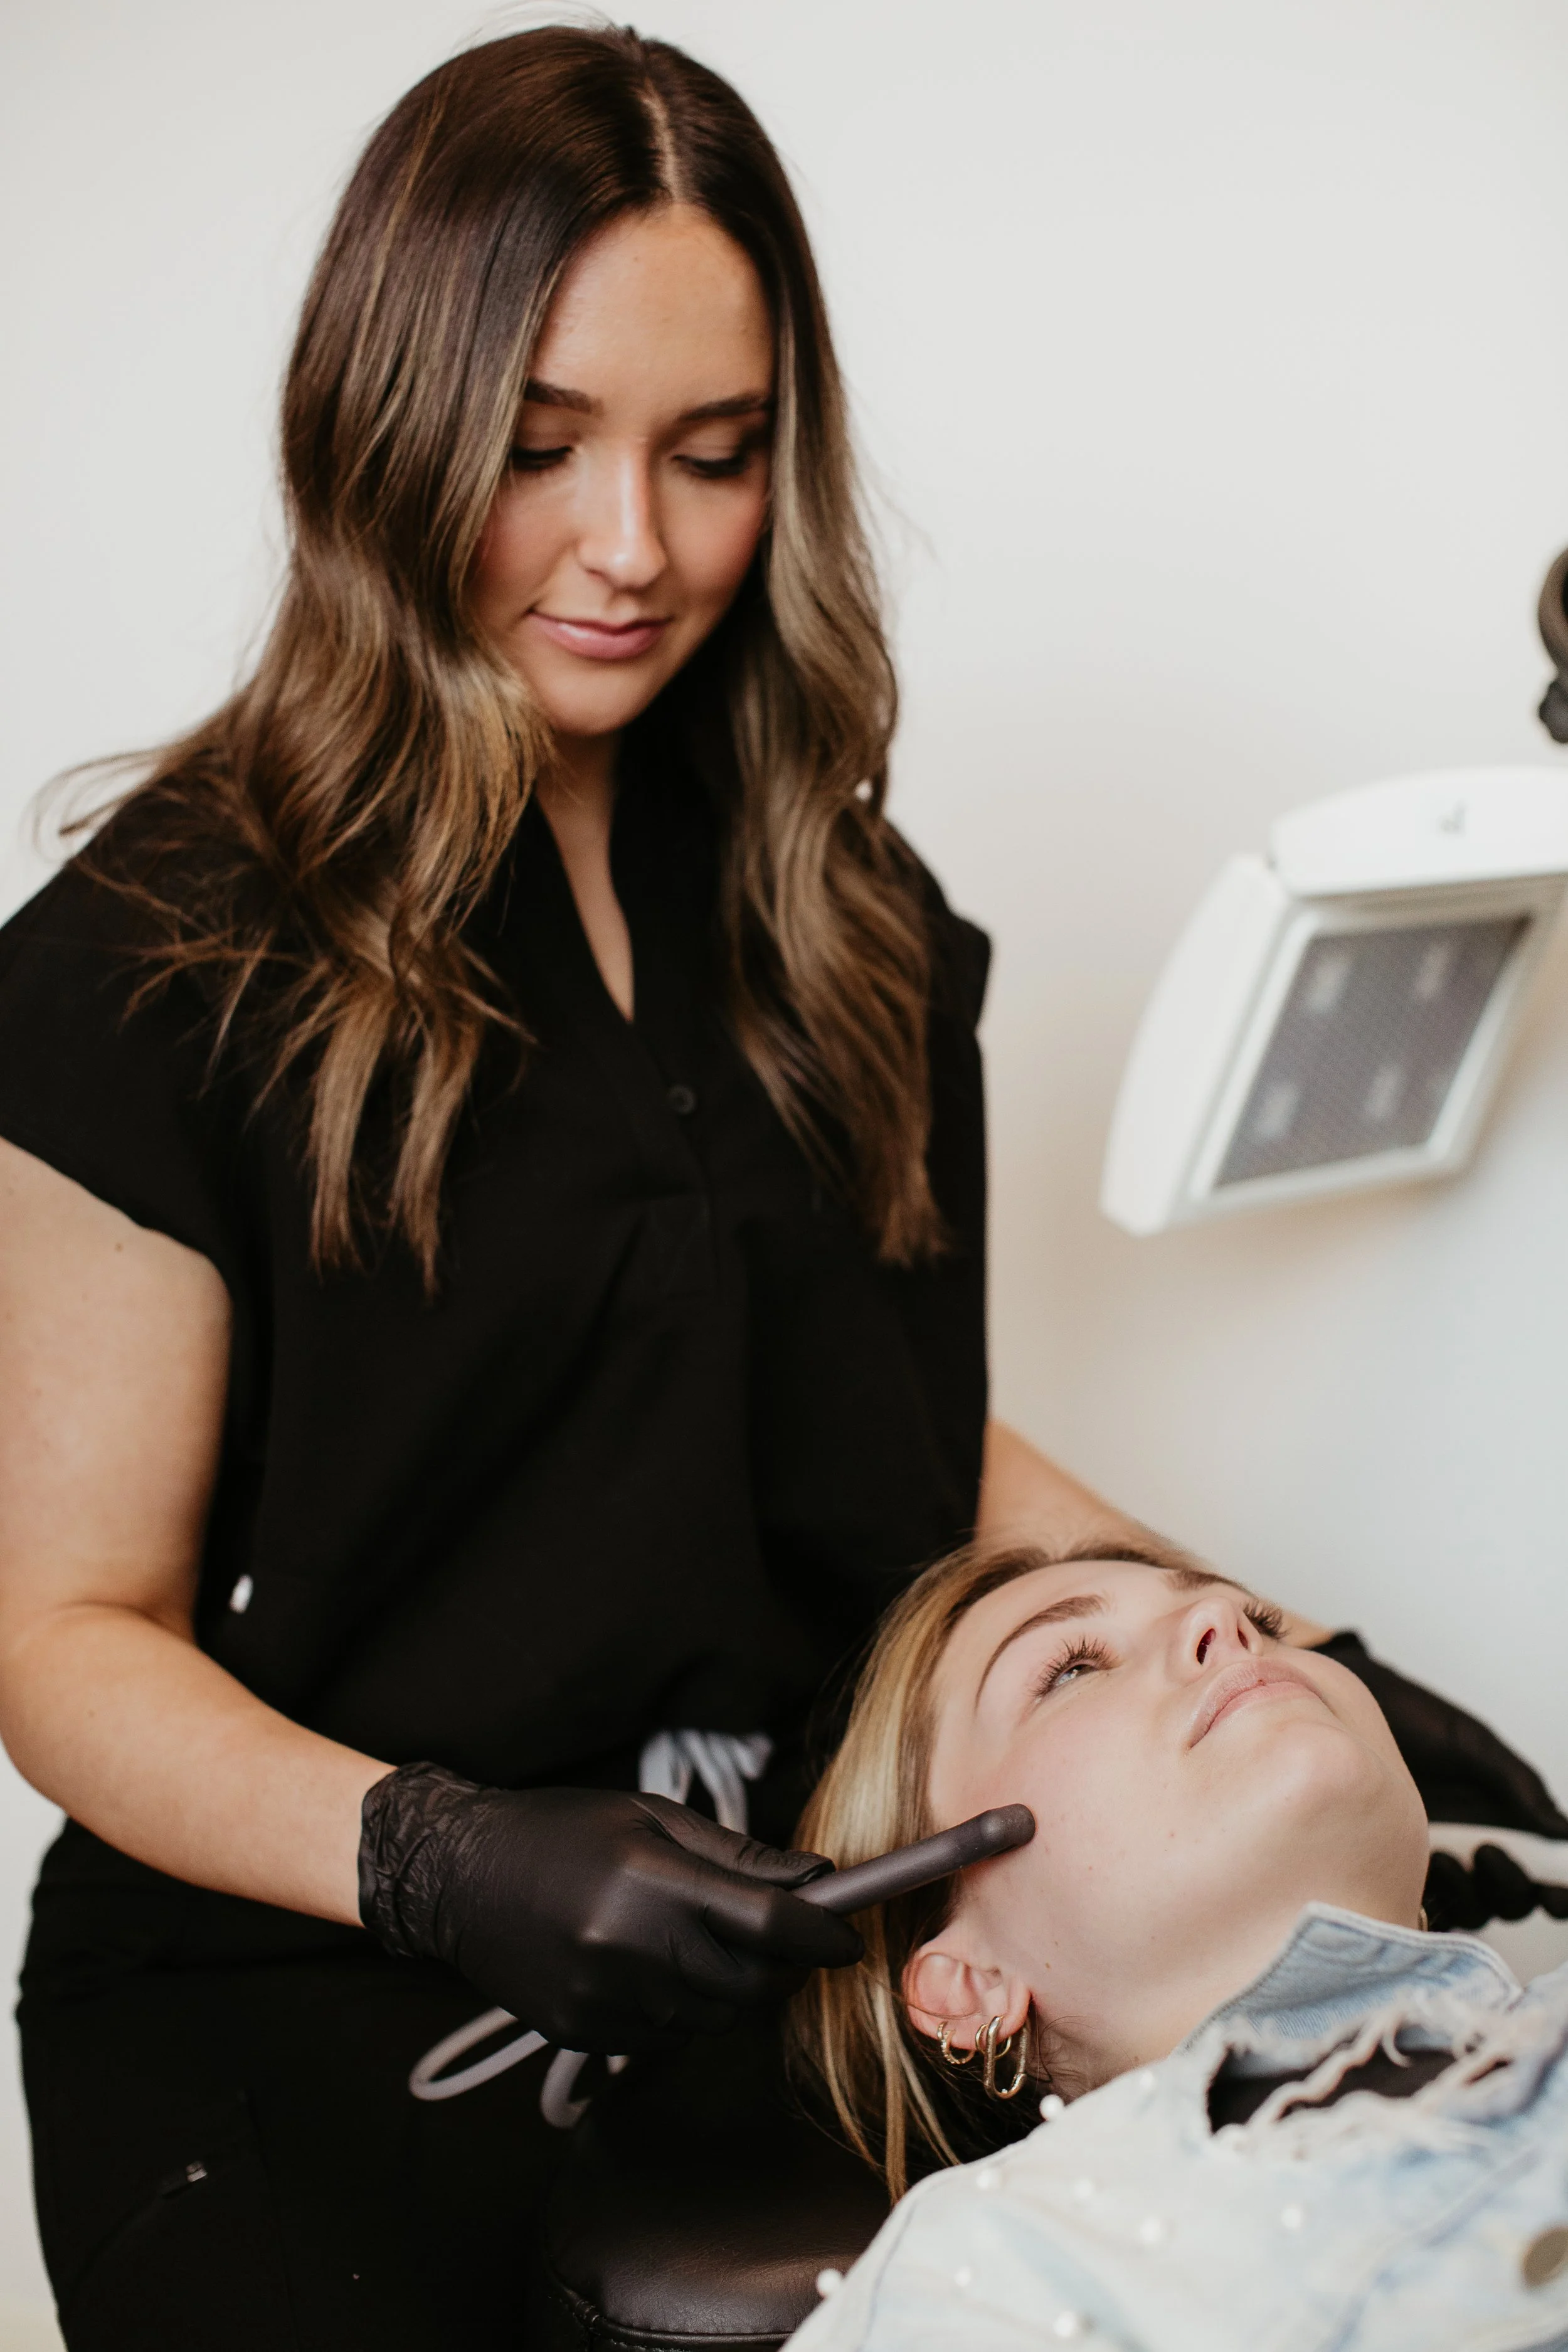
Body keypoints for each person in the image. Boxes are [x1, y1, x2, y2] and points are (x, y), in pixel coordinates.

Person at [0, 22, 1559, 2351]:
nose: (632, 547)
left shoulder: (845, 921)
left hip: (785, 1922)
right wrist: (441, 1852)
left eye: (713, 457)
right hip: (291, 1984)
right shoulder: (163, 963)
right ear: (387, 425)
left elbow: (902, 1447)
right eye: (540, 452)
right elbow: (60, 1634)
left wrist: (1287, 1647)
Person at [787, 1540, 1568, 2351]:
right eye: (1073, 1667)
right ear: (971, 1984)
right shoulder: (975, 2278)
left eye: (1265, 1623)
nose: (1224, 1618)